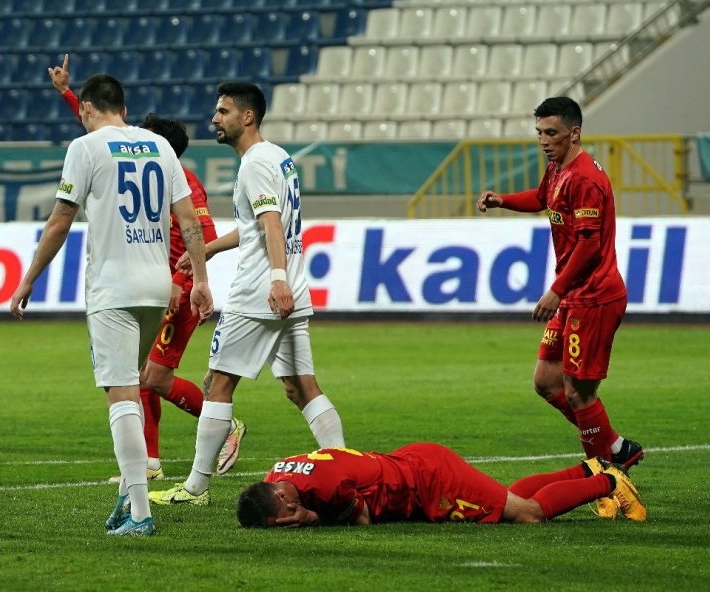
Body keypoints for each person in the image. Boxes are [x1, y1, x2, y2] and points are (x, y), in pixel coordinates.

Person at [10, 73, 213, 536]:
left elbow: (61, 221)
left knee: (120, 392)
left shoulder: (85, 147)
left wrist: (28, 280)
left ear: (84, 108)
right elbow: (190, 220)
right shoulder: (159, 147)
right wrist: (200, 279)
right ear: (123, 106)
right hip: (156, 287)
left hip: (113, 290)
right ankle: (128, 495)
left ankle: (139, 512)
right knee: (134, 385)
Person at [47, 55, 247, 479]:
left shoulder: (185, 181)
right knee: (140, 376)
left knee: (152, 377)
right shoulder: (139, 157)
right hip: (158, 284)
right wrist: (69, 92)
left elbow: (203, 233)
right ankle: (150, 461)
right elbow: (100, 133)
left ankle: (224, 421)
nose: (131, 139)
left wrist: (186, 279)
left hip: (177, 289)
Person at [150, 81, 345, 507]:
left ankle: (195, 489)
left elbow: (272, 222)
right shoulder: (279, 158)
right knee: (301, 387)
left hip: (261, 293)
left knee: (219, 384)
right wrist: (207, 250)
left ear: (247, 116)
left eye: (222, 112)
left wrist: (275, 277)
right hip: (290, 288)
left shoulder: (254, 163)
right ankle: (345, 469)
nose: (215, 119)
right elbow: (257, 224)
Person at [476, 96, 642, 519]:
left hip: (593, 297)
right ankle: (617, 450)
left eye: (551, 133)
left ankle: (604, 480)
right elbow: (541, 198)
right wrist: (502, 201)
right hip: (575, 297)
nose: (544, 141)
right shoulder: (558, 170)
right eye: (540, 134)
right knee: (547, 381)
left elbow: (588, 243)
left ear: (575, 133)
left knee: (578, 392)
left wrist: (555, 290)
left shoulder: (585, 177)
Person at [236, 443, 646, 528]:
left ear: (280, 495)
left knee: (527, 514)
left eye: (286, 515)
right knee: (509, 498)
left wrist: (310, 519)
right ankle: (587, 469)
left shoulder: (324, 490)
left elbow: (360, 520)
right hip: (412, 469)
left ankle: (611, 481)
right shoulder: (277, 477)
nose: (291, 519)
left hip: (429, 479)